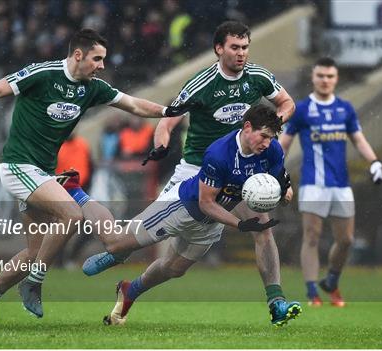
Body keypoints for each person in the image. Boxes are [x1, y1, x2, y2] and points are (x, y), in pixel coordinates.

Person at [0, 28, 194, 328]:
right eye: (97, 58)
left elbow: (132, 104)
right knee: (72, 214)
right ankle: (35, 283)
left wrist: (168, 111)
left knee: (34, 252)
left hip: (42, 173)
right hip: (17, 167)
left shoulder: (92, 87)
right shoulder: (43, 74)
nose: (102, 65)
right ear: (78, 55)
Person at [79, 105, 302, 327]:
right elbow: (206, 203)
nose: (266, 143)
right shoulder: (219, 153)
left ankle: (130, 290)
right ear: (247, 127)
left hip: (209, 224)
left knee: (173, 269)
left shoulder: (272, 150)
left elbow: (278, 183)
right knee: (116, 243)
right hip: (181, 208)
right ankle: (77, 195)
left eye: (271, 138)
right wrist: (239, 224)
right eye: (263, 136)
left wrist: (282, 194)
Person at [278, 57, 382, 307]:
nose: (325, 80)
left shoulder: (345, 109)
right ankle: (312, 291)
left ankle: (332, 281)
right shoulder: (302, 109)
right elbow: (284, 143)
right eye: (321, 76)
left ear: (336, 79)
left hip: (341, 184)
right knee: (312, 236)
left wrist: (374, 161)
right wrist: (272, 168)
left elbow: (358, 139)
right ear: (313, 78)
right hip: (313, 183)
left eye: (330, 76)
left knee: (346, 239)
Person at [142, 20, 295, 193]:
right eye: (235, 47)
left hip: (241, 167)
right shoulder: (201, 85)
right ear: (219, 49)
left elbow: (287, 103)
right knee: (155, 219)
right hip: (197, 167)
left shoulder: (259, 77)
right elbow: (166, 123)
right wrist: (161, 146)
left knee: (264, 212)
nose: (241, 53)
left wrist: (271, 125)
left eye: (245, 48)